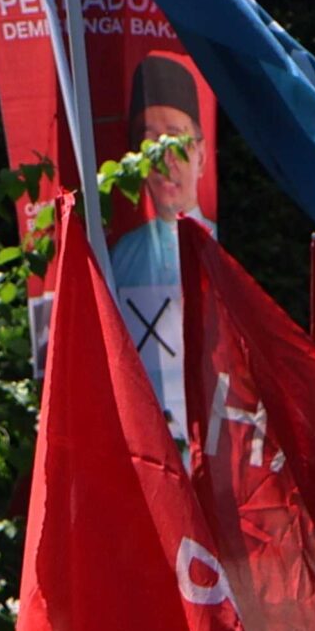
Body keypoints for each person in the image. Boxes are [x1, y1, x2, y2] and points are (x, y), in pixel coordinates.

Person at [105, 52, 209, 435]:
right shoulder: (118, 256)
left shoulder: (218, 249)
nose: (165, 159)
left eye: (178, 140)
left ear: (201, 154)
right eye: (150, 143)